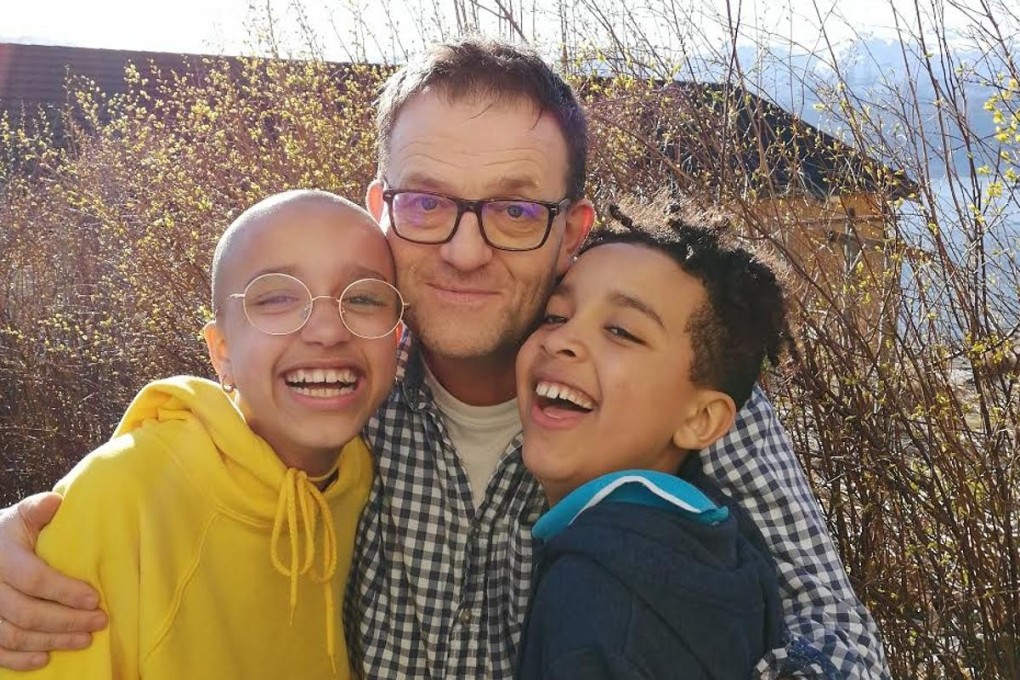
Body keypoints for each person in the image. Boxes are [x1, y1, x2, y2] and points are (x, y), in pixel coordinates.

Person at [0, 39, 890, 679]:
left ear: (569, 227)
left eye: (512, 209)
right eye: (428, 203)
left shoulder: (661, 398)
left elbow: (838, 634)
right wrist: (34, 539)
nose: (465, 252)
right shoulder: (335, 385)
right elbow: (186, 476)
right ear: (382, 207)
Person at [8, 189, 406, 679]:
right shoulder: (122, 495)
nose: (327, 330)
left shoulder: (365, 477)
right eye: (277, 297)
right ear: (222, 353)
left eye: (363, 298)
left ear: (396, 339)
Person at [515, 212, 793, 678]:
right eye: (555, 315)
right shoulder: (721, 537)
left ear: (702, 419)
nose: (562, 338)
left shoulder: (599, 604)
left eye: (621, 331)